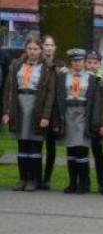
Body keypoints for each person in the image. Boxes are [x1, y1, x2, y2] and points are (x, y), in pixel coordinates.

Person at [2, 36, 57, 190]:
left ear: (41, 50)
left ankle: (33, 179)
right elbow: (8, 89)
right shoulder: (16, 65)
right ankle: (22, 178)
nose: (32, 52)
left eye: (36, 49)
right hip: (19, 105)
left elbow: (50, 94)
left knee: (35, 145)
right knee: (22, 145)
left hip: (36, 106)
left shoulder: (47, 68)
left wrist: (46, 115)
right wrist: (7, 111)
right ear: (25, 49)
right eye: (30, 49)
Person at [52, 49, 103, 193]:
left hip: (83, 114)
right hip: (68, 113)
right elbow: (57, 100)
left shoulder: (92, 78)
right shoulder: (63, 77)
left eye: (80, 60)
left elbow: (96, 102)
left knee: (81, 149)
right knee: (70, 151)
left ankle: (84, 183)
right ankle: (72, 183)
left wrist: (95, 122)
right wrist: (57, 121)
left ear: (84, 62)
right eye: (74, 60)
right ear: (71, 62)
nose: (77, 63)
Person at [84, 50, 103, 193]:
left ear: (99, 64)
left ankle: (102, 182)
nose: (92, 65)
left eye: (95, 63)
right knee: (82, 153)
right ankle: (85, 181)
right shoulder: (81, 78)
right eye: (89, 62)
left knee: (98, 153)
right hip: (82, 121)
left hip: (97, 122)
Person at [39, 34, 59, 190]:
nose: (49, 48)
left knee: (51, 147)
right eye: (46, 45)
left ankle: (47, 178)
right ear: (42, 47)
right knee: (36, 145)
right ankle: (36, 177)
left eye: (51, 45)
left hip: (53, 112)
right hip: (38, 110)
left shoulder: (59, 66)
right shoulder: (37, 65)